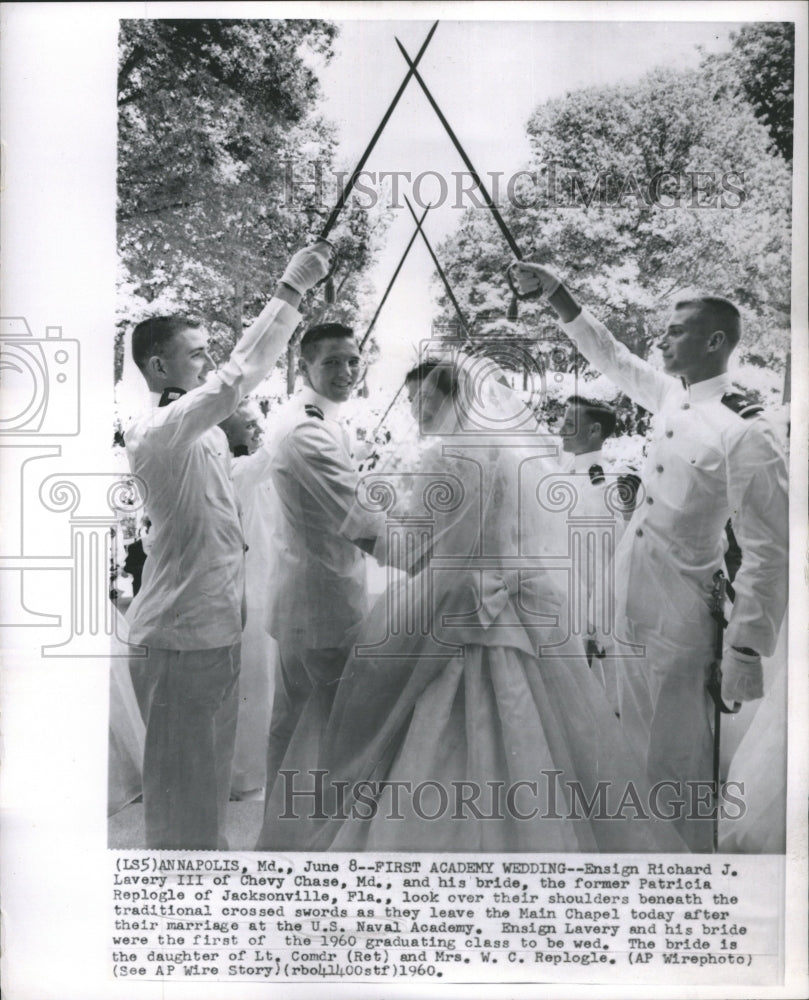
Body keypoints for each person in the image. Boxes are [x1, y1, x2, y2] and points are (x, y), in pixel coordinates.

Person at [270, 354, 686, 853]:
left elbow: (432, 544)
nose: (416, 408)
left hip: (460, 591)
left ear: (453, 398)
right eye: (411, 399)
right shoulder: (508, 454)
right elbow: (514, 532)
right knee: (541, 722)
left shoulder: (444, 457)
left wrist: (378, 517)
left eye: (425, 398)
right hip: (516, 595)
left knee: (409, 699)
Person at [510, 262, 788, 851]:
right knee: (625, 744)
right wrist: (557, 292)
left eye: (676, 331)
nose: (660, 340)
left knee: (676, 763)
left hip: (683, 616)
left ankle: (684, 879)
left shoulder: (747, 430)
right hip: (626, 597)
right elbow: (609, 355)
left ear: (715, 342)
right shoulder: (671, 394)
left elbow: (768, 552)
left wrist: (745, 649)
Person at [123, 241, 332, 850]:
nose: (209, 364)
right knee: (179, 777)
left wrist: (301, 423)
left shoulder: (207, 440)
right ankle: (180, 885)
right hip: (179, 632)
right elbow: (238, 376)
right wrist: (290, 290)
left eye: (208, 353)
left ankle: (203, 863)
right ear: (159, 368)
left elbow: (238, 485)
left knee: (206, 773)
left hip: (215, 626)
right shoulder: (155, 429)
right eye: (196, 356)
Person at [256, 322, 370, 849]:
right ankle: (301, 848)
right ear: (304, 367)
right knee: (316, 730)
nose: (346, 372)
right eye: (332, 363)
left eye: (352, 360)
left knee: (300, 723)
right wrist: (440, 566)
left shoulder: (321, 420)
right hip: (321, 600)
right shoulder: (306, 429)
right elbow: (361, 522)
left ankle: (287, 840)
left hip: (313, 593)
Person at [557, 395, 639, 711]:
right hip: (563, 602)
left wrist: (594, 623)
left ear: (593, 431)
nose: (561, 429)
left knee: (605, 700)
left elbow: (605, 558)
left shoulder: (604, 483)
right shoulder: (562, 468)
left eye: (569, 423)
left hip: (589, 612)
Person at [219, 399, 278, 801]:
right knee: (252, 680)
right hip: (248, 585)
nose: (258, 427)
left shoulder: (248, 470)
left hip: (263, 579)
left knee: (260, 678)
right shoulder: (238, 470)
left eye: (260, 420)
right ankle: (243, 775)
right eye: (249, 421)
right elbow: (277, 450)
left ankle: (250, 770)